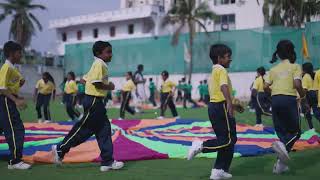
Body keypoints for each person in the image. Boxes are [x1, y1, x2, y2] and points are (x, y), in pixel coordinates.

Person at [52, 41, 124, 171]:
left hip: (95, 101)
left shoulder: (97, 64)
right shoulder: (99, 64)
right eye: (108, 52)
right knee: (84, 130)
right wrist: (110, 86)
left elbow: (84, 79)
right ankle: (60, 149)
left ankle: (107, 161)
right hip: (93, 101)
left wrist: (89, 83)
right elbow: (97, 83)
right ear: (98, 53)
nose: (111, 55)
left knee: (104, 129)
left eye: (111, 51)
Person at [187, 44, 237, 180]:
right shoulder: (221, 70)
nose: (230, 59)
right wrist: (229, 103)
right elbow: (223, 87)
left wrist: (234, 104)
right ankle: (200, 146)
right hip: (220, 107)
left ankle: (218, 170)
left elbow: (218, 91)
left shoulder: (214, 71)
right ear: (220, 58)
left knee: (228, 139)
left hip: (215, 107)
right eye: (228, 57)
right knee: (228, 140)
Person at [265, 40, 304, 174]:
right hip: (289, 99)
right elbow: (298, 84)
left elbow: (265, 87)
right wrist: (303, 96)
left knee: (282, 132)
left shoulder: (273, 69)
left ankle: (280, 166)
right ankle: (283, 147)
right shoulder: (295, 67)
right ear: (291, 51)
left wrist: (274, 96)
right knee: (296, 132)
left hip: (275, 100)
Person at [0, 41, 31, 169]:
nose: (21, 55)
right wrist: (15, 99)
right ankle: (15, 161)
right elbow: (2, 88)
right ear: (12, 54)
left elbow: (21, 80)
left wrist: (16, 95)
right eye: (19, 53)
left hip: (7, 100)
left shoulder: (12, 68)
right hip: (6, 101)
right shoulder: (6, 68)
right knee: (16, 129)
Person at [301, 62, 320, 130]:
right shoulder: (314, 75)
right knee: (316, 111)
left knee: (307, 112)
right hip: (315, 94)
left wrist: (302, 98)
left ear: (305, 70)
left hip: (308, 95)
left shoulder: (305, 76)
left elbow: (305, 89)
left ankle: (311, 128)